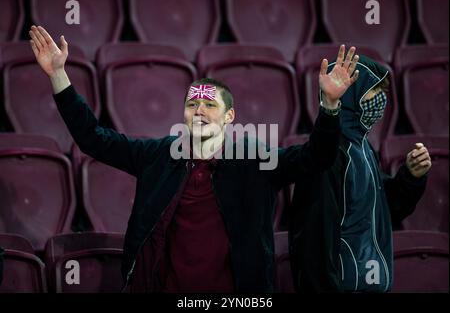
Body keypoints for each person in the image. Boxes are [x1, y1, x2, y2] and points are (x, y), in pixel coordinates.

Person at [29, 25, 359, 292]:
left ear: (230, 116)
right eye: (191, 104)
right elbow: (94, 139)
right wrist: (59, 75)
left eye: (209, 105)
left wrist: (330, 106)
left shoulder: (256, 160)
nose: (198, 110)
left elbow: (316, 158)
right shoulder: (157, 155)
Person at [288, 55, 431, 293]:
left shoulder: (362, 148)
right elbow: (314, 243)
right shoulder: (327, 156)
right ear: (351, 96)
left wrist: (411, 177)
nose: (382, 100)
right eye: (374, 92)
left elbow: (386, 211)